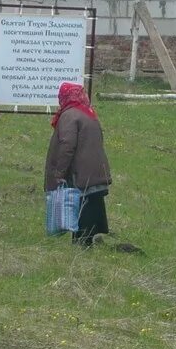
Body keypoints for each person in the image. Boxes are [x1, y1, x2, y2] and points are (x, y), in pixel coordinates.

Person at [44, 81, 112, 247]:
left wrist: (59, 172)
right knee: (90, 206)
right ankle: (88, 240)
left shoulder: (69, 115)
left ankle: (81, 242)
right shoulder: (89, 113)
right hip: (94, 170)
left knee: (81, 207)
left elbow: (67, 145)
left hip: (79, 171)